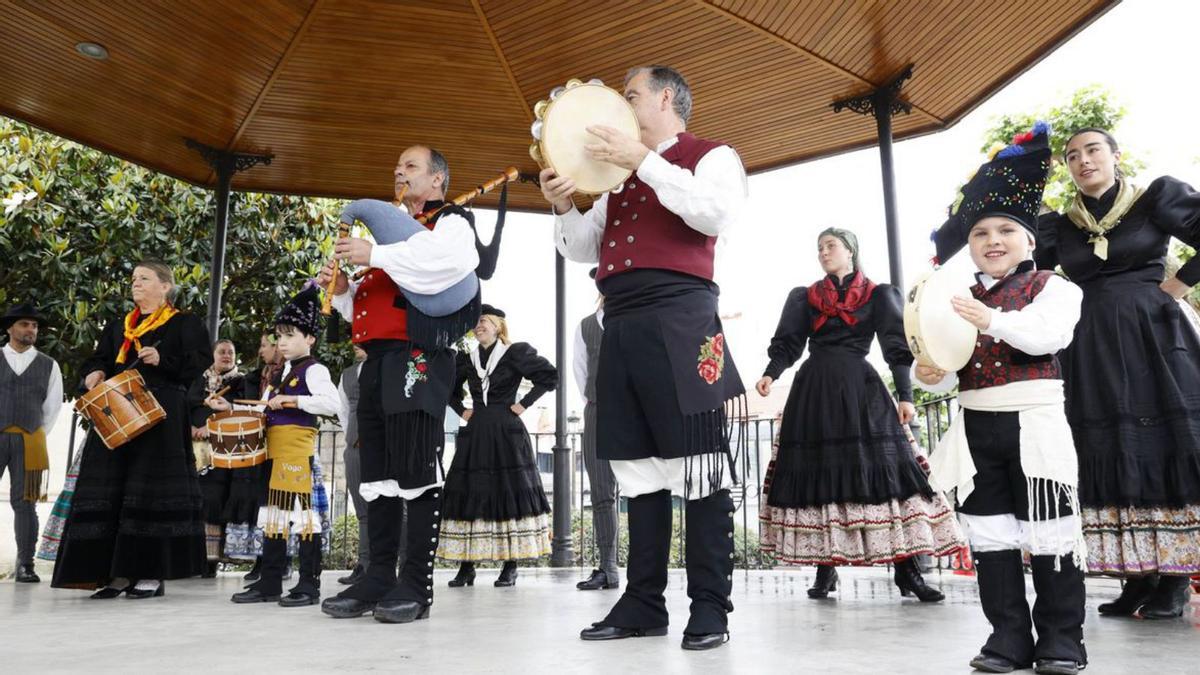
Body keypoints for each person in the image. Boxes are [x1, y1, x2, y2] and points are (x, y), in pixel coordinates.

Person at [541, 65, 746, 650]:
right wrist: (562, 208)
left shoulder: (713, 155)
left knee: (701, 471)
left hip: (682, 317)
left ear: (664, 97)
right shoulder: (618, 176)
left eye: (629, 96)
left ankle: (710, 605)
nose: (621, 106)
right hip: (622, 323)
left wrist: (644, 160)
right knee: (636, 471)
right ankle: (643, 601)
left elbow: (714, 213)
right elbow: (585, 249)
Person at [922, 123, 1087, 675]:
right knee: (990, 536)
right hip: (976, 428)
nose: (992, 240)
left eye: (1005, 231)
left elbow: (1046, 337)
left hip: (1035, 423)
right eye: (981, 234)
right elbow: (946, 372)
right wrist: (930, 370)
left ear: (1030, 241)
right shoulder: (956, 298)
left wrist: (990, 319)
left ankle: (1063, 640)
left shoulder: (1055, 288)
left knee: (1050, 533)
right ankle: (1007, 640)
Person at [1036, 128, 1200, 619]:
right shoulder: (1059, 225)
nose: (1083, 161)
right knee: (1104, 447)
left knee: (1162, 443)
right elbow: (1030, 274)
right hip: (1090, 345)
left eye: (1092, 150)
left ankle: (1174, 578)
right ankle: (1136, 576)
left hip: (1153, 336)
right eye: (1072, 156)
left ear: (1114, 156)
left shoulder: (1153, 200)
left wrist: (1178, 283)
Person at [755, 228, 963, 602]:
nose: (823, 252)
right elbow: (788, 342)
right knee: (821, 476)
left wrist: (905, 395)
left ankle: (907, 571)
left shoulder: (878, 294)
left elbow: (895, 347)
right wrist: (771, 373)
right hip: (813, 391)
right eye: (819, 247)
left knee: (884, 475)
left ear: (850, 251)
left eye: (830, 245)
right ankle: (825, 570)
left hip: (860, 390)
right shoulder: (804, 297)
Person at [318, 144, 480, 624]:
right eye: (397, 166)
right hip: (378, 360)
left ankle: (415, 584)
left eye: (411, 166)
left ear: (437, 181)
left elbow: (447, 265)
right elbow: (375, 309)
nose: (398, 172)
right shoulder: (391, 237)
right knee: (378, 473)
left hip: (420, 357)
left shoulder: (450, 222)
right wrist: (346, 292)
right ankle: (378, 575)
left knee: (413, 468)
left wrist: (376, 252)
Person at [52, 261, 210, 598]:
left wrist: (162, 359)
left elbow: (199, 362)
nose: (135, 284)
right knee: (113, 490)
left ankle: (150, 574)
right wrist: (94, 374)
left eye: (144, 278)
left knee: (151, 492)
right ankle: (117, 574)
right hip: (118, 415)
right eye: (134, 279)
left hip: (161, 417)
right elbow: (99, 358)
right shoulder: (119, 325)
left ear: (165, 286)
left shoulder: (184, 322)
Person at [223, 286, 340, 606]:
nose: (283, 342)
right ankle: (271, 582)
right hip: (272, 451)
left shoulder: (314, 369)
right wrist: (228, 409)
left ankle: (308, 584)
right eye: (280, 336)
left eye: (290, 335)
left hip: (295, 454)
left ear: (310, 339)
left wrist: (293, 399)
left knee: (304, 520)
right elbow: (262, 410)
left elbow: (332, 404)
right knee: (272, 518)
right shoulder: (280, 372)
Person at [441, 305, 556, 587]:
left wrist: (522, 405)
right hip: (478, 429)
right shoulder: (467, 359)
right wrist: (461, 410)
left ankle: (510, 566)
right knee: (471, 492)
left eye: (483, 321)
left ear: (497, 326)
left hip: (507, 430)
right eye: (476, 322)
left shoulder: (515, 353)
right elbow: (446, 389)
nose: (478, 326)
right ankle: (466, 567)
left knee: (508, 491)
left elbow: (549, 377)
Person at [1, 303, 63, 583]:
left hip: (30, 438)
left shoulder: (49, 365)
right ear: (10, 328)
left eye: (35, 326)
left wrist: (36, 434)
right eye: (25, 324)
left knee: (25, 502)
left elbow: (51, 408)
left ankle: (26, 564)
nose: (31, 330)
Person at [572, 270, 620, 591]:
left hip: (635, 413)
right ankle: (608, 569)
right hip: (599, 412)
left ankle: (645, 570)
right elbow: (581, 372)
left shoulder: (637, 319)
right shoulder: (585, 326)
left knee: (648, 490)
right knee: (602, 493)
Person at [224, 332, 284, 580]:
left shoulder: (292, 375)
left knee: (280, 503)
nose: (260, 351)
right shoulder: (252, 378)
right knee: (260, 502)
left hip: (282, 445)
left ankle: (282, 560)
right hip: (257, 446)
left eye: (264, 346)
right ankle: (262, 560)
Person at [185, 338, 244, 576]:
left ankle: (210, 561)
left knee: (214, 500)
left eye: (231, 352)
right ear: (213, 355)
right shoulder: (198, 380)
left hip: (223, 451)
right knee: (193, 500)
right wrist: (189, 427)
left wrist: (212, 428)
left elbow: (241, 411)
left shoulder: (241, 382)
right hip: (194, 450)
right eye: (222, 352)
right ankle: (189, 559)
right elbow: (185, 406)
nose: (227, 356)